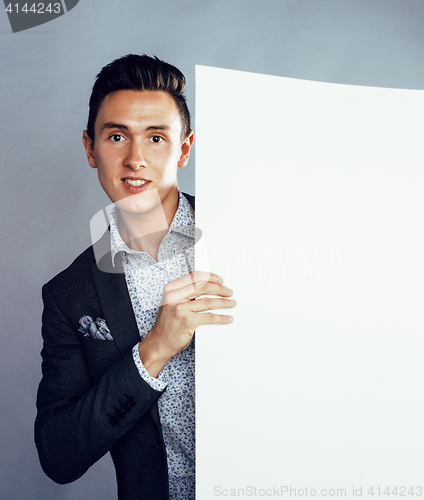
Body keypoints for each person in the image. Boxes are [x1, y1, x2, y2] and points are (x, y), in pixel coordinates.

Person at [35, 54, 236, 500]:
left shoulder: (249, 236)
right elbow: (57, 454)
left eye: (157, 137)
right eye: (117, 135)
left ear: (185, 148)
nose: (135, 159)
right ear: (90, 147)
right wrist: (153, 351)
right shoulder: (70, 295)